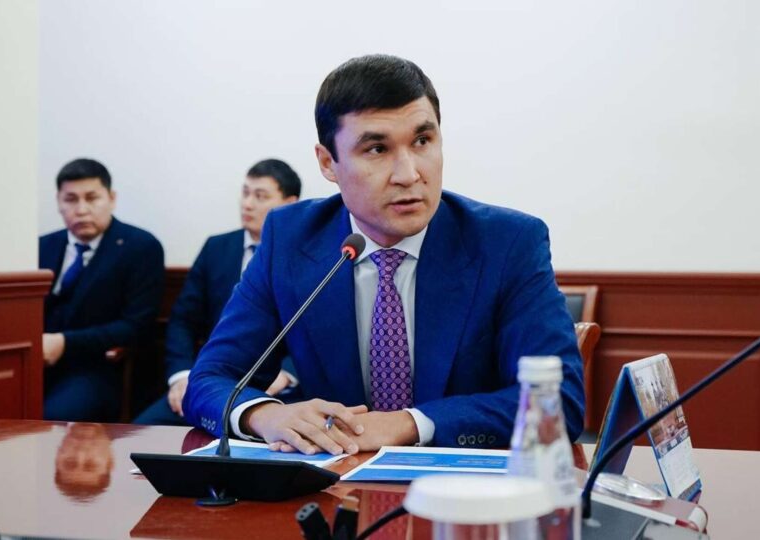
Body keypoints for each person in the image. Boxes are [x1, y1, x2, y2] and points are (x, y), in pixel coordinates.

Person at [184, 54, 583, 455]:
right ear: (327, 163)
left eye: (422, 141)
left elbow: (557, 403)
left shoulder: (508, 243)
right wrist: (265, 415)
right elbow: (210, 379)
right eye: (377, 148)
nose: (409, 174)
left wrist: (409, 424)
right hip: (333, 482)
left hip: (464, 486)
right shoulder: (290, 240)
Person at [134, 159, 302, 425]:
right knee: (141, 432)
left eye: (260, 196)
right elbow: (182, 320)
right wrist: (182, 375)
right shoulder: (217, 248)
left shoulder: (306, 255)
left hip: (279, 390)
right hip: (211, 383)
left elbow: (321, 330)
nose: (247, 204)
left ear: (290, 204)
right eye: (245, 193)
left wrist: (287, 374)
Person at [40, 158, 165, 422]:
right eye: (70, 199)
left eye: (92, 198)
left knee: (53, 417)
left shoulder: (140, 247)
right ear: (59, 202)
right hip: (37, 362)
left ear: (111, 198)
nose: (81, 210)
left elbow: (136, 325)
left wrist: (65, 342)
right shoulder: (42, 246)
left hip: (96, 367)